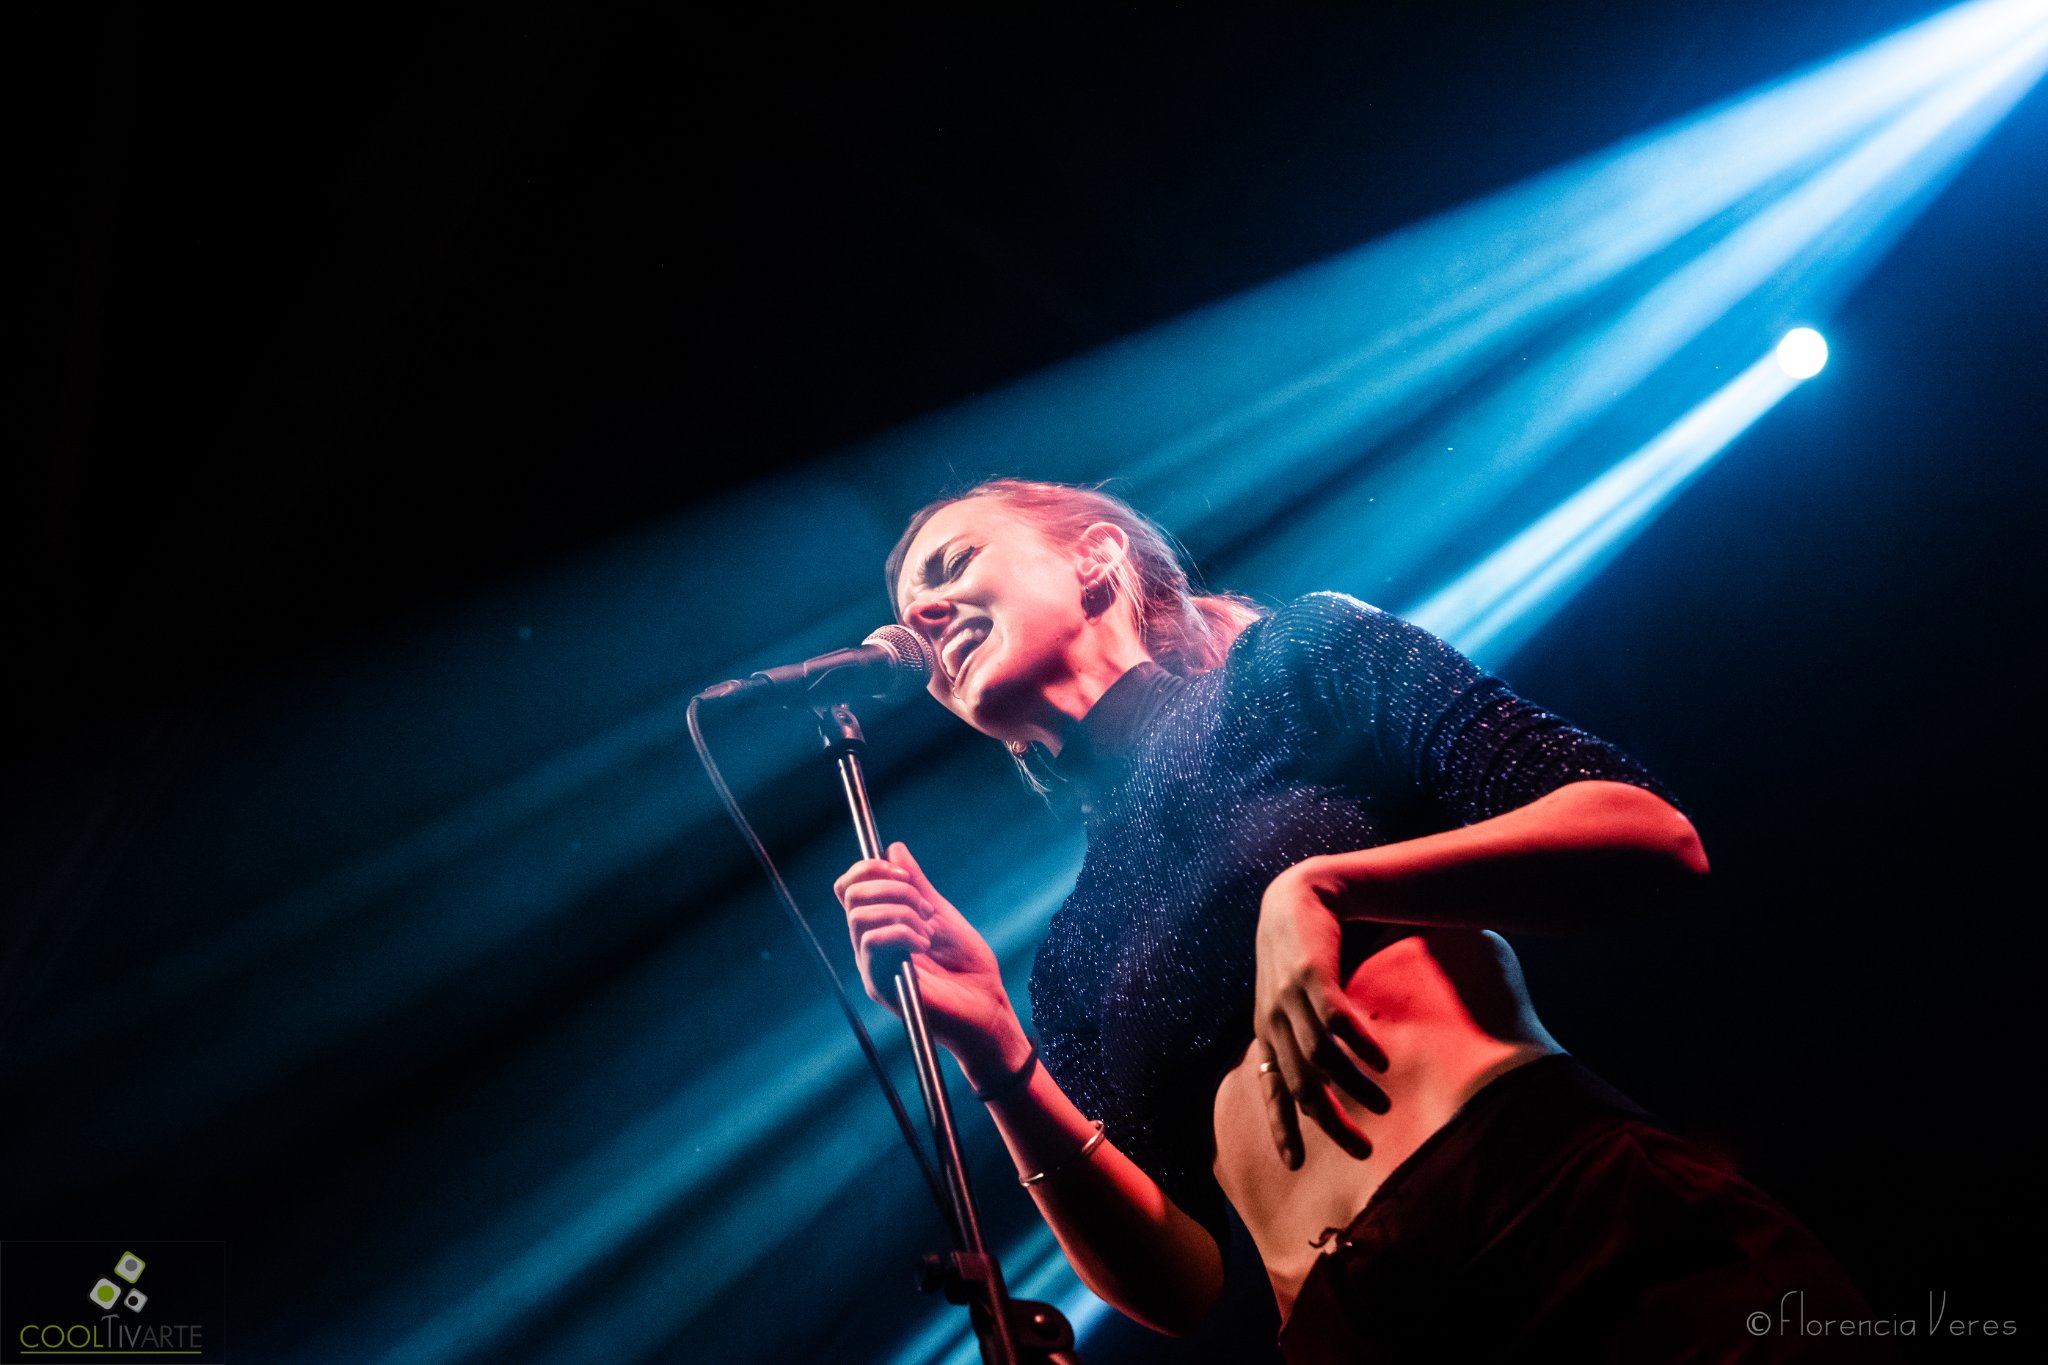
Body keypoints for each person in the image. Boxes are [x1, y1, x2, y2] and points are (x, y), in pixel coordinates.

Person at [834, 477, 1880, 1361]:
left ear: (1095, 559)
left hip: (1545, 1207)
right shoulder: (1067, 958)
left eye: (949, 565)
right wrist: (991, 1048)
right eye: (908, 600)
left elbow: (1646, 835)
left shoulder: (1297, 662)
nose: (918, 616)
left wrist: (1325, 888)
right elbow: (1181, 1280)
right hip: (1347, 1330)